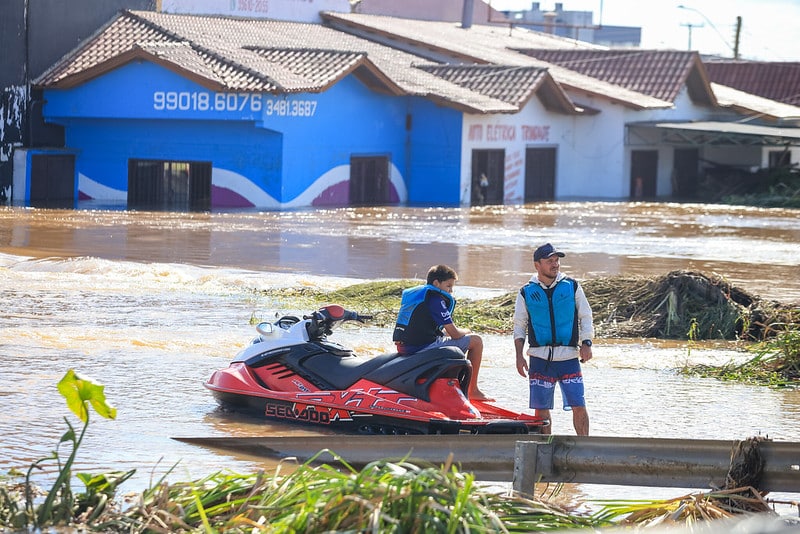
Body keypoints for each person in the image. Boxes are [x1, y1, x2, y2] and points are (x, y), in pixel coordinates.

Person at [512, 243, 594, 435]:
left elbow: (586, 316)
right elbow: (519, 325)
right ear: (537, 265)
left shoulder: (571, 286)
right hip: (539, 358)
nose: (555, 264)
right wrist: (519, 356)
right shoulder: (526, 291)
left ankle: (584, 446)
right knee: (541, 410)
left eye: (556, 260)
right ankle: (545, 448)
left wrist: (587, 343)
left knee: (578, 404)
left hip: (569, 357)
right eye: (549, 261)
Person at [393, 264, 491, 401]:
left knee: (448, 337)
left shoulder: (421, 296)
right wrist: (467, 330)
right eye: (449, 286)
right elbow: (455, 334)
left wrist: (451, 333)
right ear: (436, 283)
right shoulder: (436, 300)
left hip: (405, 346)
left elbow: (439, 331)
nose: (450, 291)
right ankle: (472, 390)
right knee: (476, 341)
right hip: (421, 348)